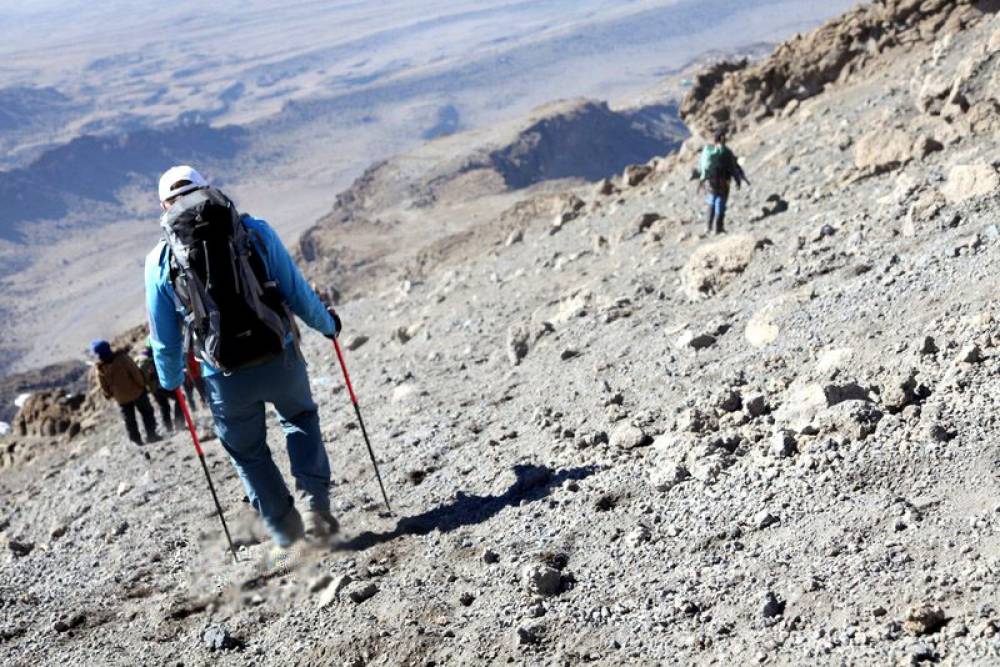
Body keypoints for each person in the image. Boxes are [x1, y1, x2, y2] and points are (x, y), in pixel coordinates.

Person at [145, 165, 342, 549]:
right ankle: (316, 511)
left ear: (164, 206)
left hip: (223, 376)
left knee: (248, 454)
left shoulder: (159, 261)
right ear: (208, 190)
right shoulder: (255, 231)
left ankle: (288, 540)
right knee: (300, 419)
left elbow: (163, 340)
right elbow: (297, 292)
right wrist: (327, 325)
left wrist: (171, 381)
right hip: (279, 355)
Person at [91, 339, 161, 446]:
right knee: (147, 412)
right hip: (137, 392)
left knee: (129, 420)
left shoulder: (101, 368)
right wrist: (142, 384)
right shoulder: (122, 358)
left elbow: (104, 387)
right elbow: (135, 372)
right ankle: (152, 435)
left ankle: (136, 441)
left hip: (121, 399)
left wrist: (110, 395)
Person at [698, 129, 750, 235]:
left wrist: (702, 179)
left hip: (710, 181)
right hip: (723, 181)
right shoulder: (726, 152)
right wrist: (738, 180)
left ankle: (708, 227)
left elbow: (702, 166)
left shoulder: (708, 150)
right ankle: (718, 227)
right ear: (723, 139)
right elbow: (732, 167)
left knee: (712, 200)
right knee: (720, 202)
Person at [137, 344, 183, 432]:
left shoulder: (141, 359)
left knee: (164, 406)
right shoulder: (155, 353)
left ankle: (168, 428)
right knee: (180, 399)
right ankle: (179, 423)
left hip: (153, 389)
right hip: (162, 385)